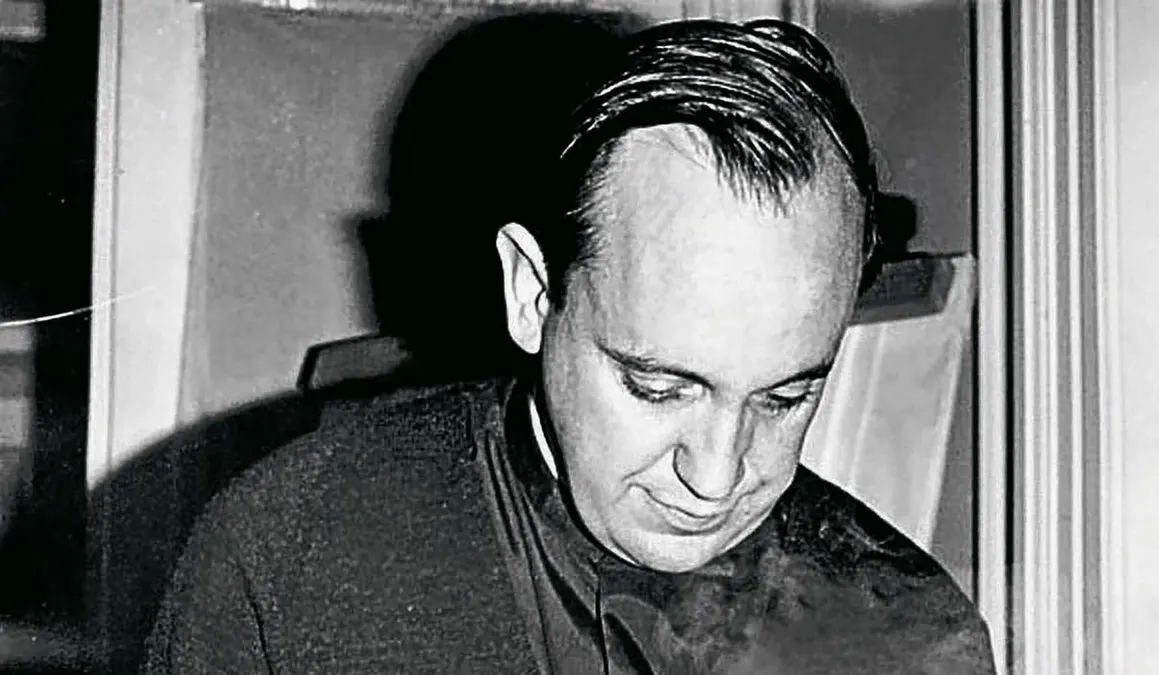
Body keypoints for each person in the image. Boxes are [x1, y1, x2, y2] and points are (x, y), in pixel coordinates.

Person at [144, 17, 996, 675]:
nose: (717, 475)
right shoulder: (288, 553)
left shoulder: (908, 633)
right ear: (531, 291)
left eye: (784, 397)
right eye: (658, 385)